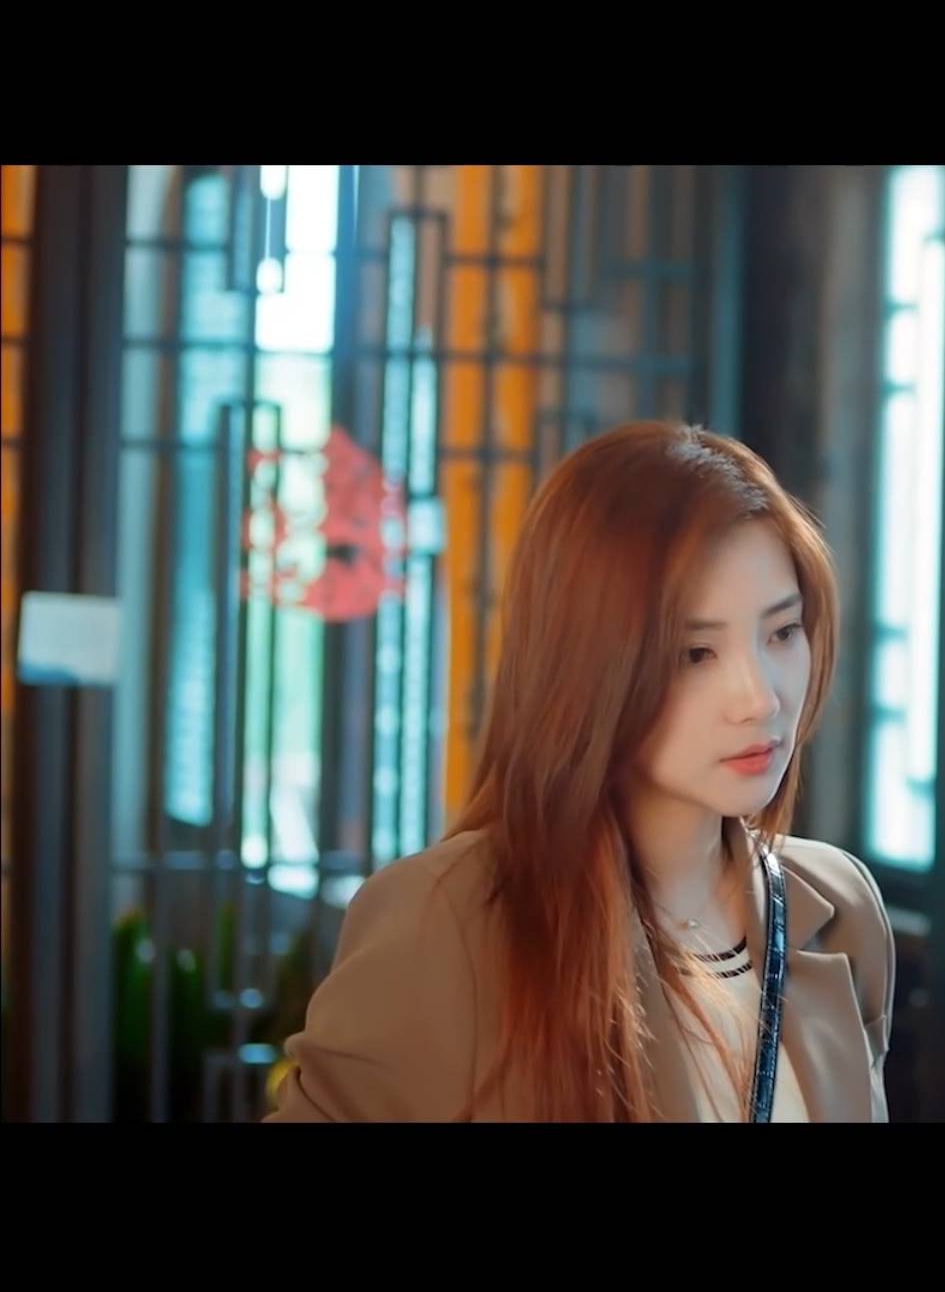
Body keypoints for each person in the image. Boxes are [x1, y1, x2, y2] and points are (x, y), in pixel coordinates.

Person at [270, 421, 892, 1121]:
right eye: (694, 653)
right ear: (590, 665)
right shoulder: (449, 921)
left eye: (781, 632)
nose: (761, 699)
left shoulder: (836, 907)